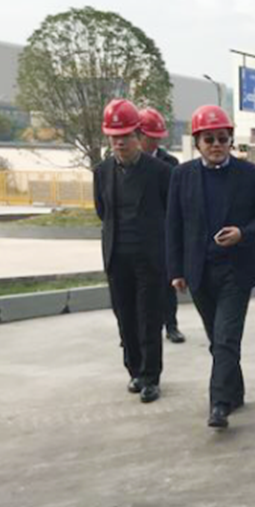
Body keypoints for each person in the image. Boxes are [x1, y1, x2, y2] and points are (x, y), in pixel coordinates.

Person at [166, 105, 255, 429]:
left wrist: (243, 233)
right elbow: (174, 225)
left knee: (226, 337)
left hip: (236, 271)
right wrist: (176, 270)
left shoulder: (249, 174)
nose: (216, 145)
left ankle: (219, 404)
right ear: (197, 142)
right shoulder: (182, 176)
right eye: (209, 139)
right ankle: (234, 392)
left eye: (222, 138)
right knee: (217, 338)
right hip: (199, 271)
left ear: (230, 140)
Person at [93, 99, 172, 404]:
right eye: (114, 137)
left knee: (148, 318)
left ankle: (151, 377)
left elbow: (169, 212)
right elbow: (103, 211)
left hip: (149, 257)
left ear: (138, 135)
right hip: (117, 256)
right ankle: (135, 370)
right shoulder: (102, 172)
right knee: (125, 316)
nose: (120, 142)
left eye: (125, 136)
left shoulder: (160, 172)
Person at [139, 107, 185, 345]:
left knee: (168, 282)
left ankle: (171, 325)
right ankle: (138, 329)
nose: (154, 142)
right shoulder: (124, 162)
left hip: (163, 232)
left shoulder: (169, 163)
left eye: (157, 137)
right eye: (150, 137)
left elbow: (175, 200)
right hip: (137, 234)